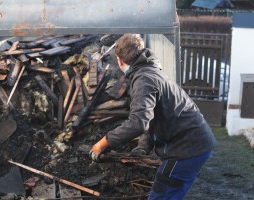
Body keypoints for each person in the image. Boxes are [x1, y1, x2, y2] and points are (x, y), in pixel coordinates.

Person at [89, 33, 217, 199]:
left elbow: (138, 123)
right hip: (195, 143)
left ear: (120, 60)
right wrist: (144, 146)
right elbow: (153, 117)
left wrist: (103, 143)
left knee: (162, 194)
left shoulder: (144, 79)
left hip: (186, 149)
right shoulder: (149, 71)